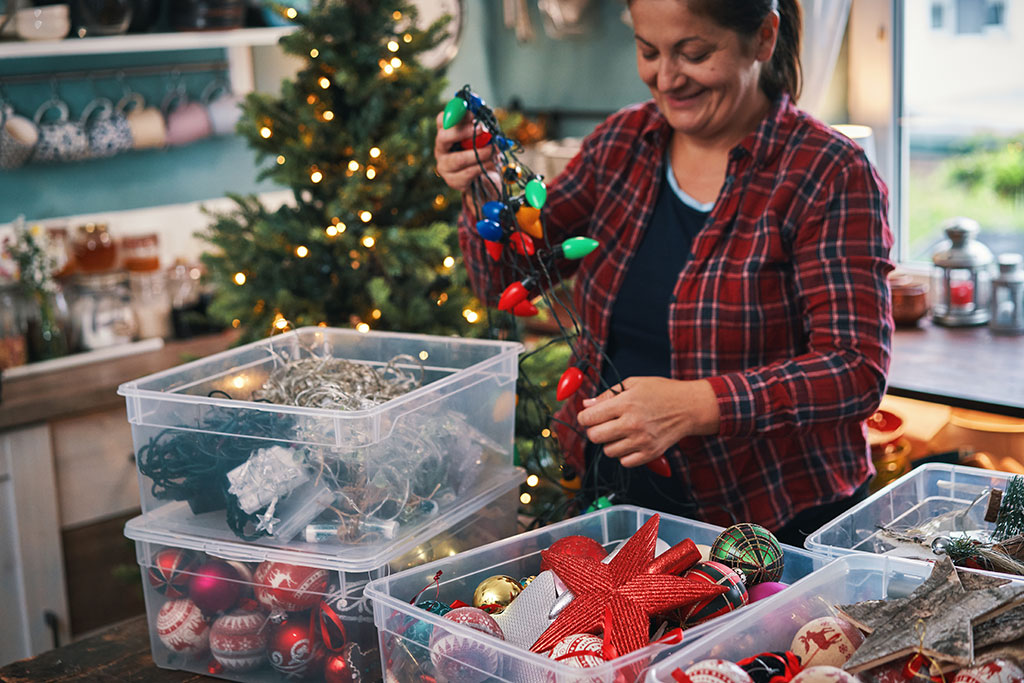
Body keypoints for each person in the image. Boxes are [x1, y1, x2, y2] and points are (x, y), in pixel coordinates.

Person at [434, 0, 893, 546]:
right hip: (614, 506)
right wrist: (482, 192)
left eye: (694, 53)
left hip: (768, 522)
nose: (667, 78)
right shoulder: (622, 143)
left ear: (764, 38)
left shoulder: (828, 172)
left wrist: (697, 405)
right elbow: (507, 278)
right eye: (648, 51)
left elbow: (854, 370)